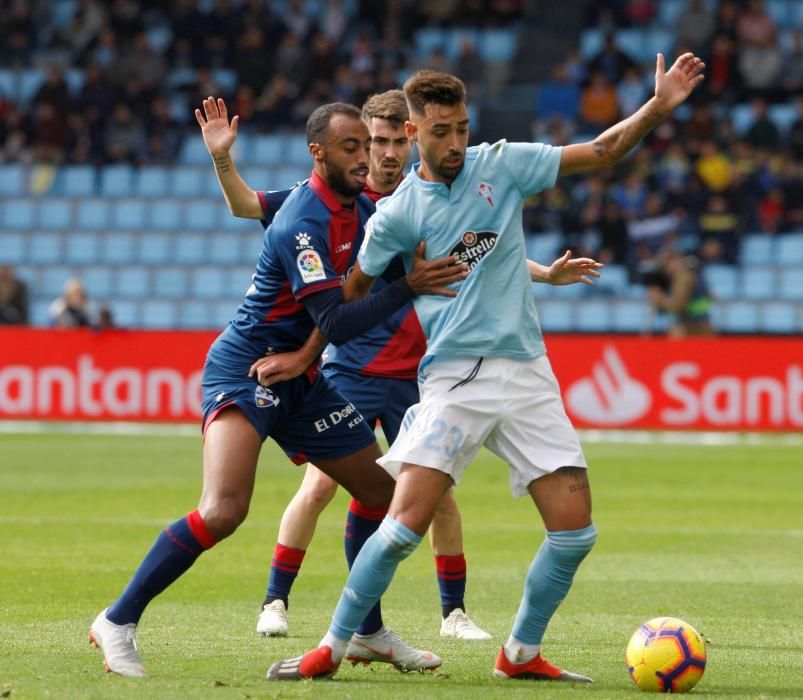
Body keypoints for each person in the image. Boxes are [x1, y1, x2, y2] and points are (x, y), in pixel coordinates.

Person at [269, 53, 704, 683]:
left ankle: (519, 655)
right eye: (441, 131)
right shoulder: (396, 215)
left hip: (527, 372)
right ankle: (332, 647)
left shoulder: (501, 165)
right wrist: (317, 347)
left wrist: (659, 105)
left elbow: (602, 151)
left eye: (462, 128)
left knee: (575, 533)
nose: (455, 143)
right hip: (454, 378)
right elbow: (350, 295)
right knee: (402, 527)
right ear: (414, 132)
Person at [89, 101, 468, 678]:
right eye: (352, 148)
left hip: (301, 378)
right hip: (247, 370)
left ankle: (366, 632)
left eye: (367, 146)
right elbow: (339, 321)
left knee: (380, 494)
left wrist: (427, 273)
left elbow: (389, 278)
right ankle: (117, 620)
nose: (366, 158)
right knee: (223, 510)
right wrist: (410, 285)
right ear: (318, 152)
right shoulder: (302, 222)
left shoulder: (363, 207)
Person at [201, 89, 492, 642]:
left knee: (439, 496)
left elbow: (470, 254)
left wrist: (543, 274)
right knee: (318, 488)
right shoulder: (314, 201)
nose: (380, 154)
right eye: (370, 142)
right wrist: (221, 158)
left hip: (412, 375)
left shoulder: (415, 203)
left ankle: (451, 614)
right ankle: (276, 601)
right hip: (351, 369)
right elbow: (244, 206)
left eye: (388, 142)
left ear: (409, 142)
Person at [646, 248, 714, 338]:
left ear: (674, 261)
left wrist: (659, 298)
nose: (664, 270)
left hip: (694, 328)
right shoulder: (690, 272)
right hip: (698, 324)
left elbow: (677, 305)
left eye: (665, 265)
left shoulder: (683, 277)